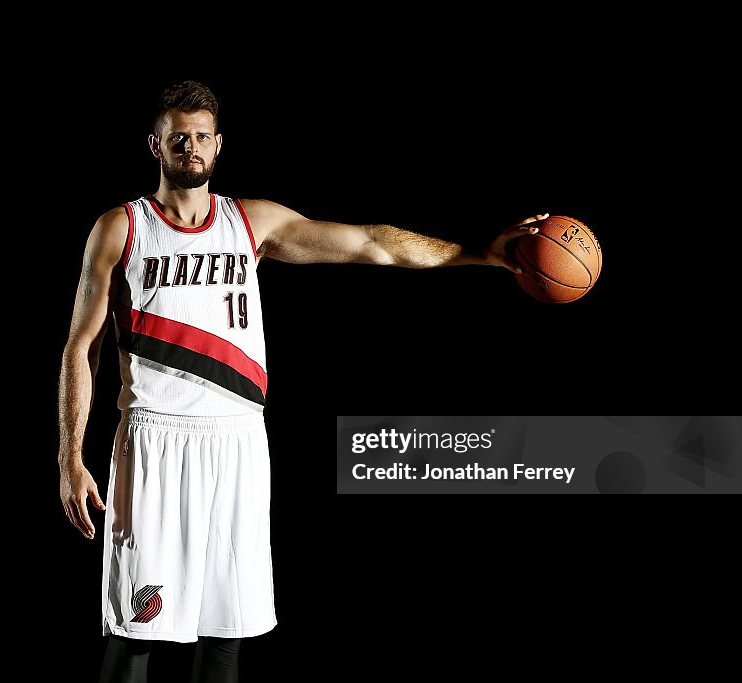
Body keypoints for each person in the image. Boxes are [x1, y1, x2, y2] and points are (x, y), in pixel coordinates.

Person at [59, 80, 546, 682]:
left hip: (238, 439)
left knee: (227, 637)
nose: (192, 147)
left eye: (203, 137)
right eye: (178, 137)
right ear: (154, 145)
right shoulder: (120, 227)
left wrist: (483, 255)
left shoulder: (251, 223)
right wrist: (70, 458)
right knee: (136, 637)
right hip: (155, 440)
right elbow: (79, 349)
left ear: (219, 145)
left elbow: (372, 245)